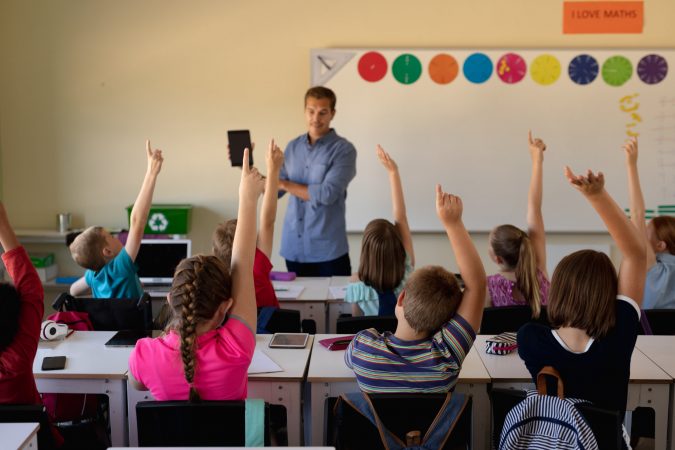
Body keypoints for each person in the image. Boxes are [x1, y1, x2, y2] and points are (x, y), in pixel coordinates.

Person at [128, 149, 263, 401]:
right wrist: (248, 198)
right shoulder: (237, 347)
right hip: (232, 442)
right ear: (225, 307)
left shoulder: (144, 355)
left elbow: (137, 385)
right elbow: (242, 264)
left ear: (170, 300)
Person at [517, 166, 647, 417]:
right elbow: (636, 255)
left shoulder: (530, 338)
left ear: (559, 291)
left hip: (552, 441)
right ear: (609, 294)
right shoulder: (619, 333)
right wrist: (597, 196)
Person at [345, 185, 486, 393]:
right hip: (437, 428)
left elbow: (477, 285)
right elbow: (477, 285)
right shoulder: (448, 355)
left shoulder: (363, 348)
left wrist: (452, 222)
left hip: (378, 428)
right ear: (447, 321)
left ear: (401, 298)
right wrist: (453, 224)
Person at [69, 140, 164, 298]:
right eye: (110, 236)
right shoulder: (120, 267)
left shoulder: (93, 275)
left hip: (108, 323)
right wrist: (151, 173)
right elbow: (137, 222)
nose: (115, 237)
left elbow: (73, 290)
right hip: (135, 324)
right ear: (107, 251)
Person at [278, 86, 357, 276]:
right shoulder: (292, 147)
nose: (316, 118)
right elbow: (273, 190)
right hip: (294, 249)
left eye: (323, 112)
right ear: (304, 111)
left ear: (332, 114)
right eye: (311, 111)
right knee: (299, 306)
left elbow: (327, 194)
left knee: (336, 306)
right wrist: (245, 166)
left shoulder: (344, 150)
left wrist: (285, 184)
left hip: (328, 252)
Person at [344, 145, 414, 316]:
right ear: (399, 250)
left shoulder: (356, 286)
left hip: (371, 343)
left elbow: (356, 327)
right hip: (402, 342)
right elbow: (401, 217)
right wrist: (393, 172)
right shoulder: (408, 277)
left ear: (365, 252)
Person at [214, 139, 284, 309]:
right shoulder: (256, 268)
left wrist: (250, 168)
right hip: (269, 333)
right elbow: (268, 220)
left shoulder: (219, 282)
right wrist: (273, 169)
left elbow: (267, 222)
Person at [486, 131, 549, 319]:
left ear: (497, 259)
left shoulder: (488, 286)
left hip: (501, 349)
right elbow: (534, 207)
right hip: (541, 349)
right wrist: (537, 160)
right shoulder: (540, 274)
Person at [623, 136, 675, 309]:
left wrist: (631, 165)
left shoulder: (655, 268)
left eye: (646, 231)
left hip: (650, 335)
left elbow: (637, 214)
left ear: (660, 245)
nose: (641, 233)